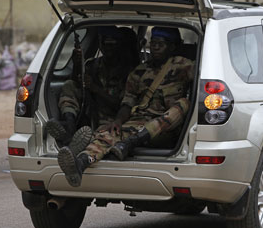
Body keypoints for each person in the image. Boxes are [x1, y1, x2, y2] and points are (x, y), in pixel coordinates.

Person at [57, 27, 195, 187]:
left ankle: (129, 144)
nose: (155, 47)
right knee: (106, 135)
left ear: (172, 47)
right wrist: (117, 121)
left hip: (166, 128)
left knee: (185, 103)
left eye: (161, 44)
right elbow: (127, 103)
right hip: (138, 123)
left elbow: (204, 76)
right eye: (153, 43)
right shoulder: (139, 72)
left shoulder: (183, 65)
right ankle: (80, 163)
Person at [46, 26, 139, 152]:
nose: (107, 49)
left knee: (102, 138)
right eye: (104, 44)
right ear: (100, 45)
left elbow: (124, 105)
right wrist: (77, 64)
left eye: (111, 44)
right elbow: (78, 82)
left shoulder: (129, 72)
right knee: (69, 85)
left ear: (119, 46)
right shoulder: (92, 65)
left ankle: (75, 142)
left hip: (112, 120)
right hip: (91, 114)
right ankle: (70, 127)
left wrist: (96, 89)